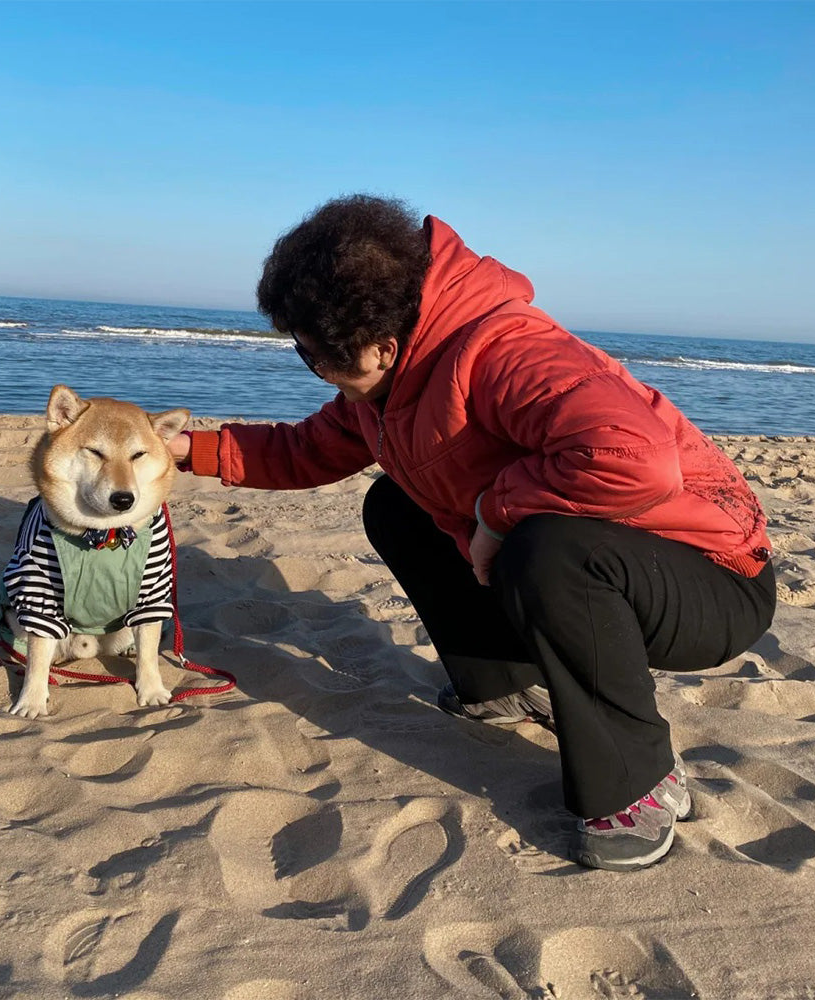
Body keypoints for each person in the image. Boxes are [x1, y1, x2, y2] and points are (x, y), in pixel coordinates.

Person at [167, 195, 775, 872]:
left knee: (548, 553)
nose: (310, 366)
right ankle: (504, 682)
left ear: (382, 346)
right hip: (612, 560)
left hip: (713, 578)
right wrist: (186, 449)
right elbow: (310, 449)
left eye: (311, 356)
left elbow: (635, 458)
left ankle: (639, 780)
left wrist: (494, 511)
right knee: (397, 503)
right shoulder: (390, 386)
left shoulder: (506, 351)